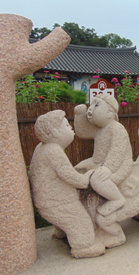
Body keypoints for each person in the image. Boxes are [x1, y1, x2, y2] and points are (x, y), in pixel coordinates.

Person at [29, 110, 105, 258]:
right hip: (58, 202)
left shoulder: (41, 148)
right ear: (56, 132)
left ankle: (61, 231)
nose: (71, 128)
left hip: (45, 202)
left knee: (67, 219)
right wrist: (86, 180)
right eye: (66, 125)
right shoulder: (53, 151)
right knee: (81, 223)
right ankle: (83, 246)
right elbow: (70, 176)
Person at [74, 95, 133, 216]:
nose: (91, 108)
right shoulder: (98, 129)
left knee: (97, 180)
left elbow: (117, 152)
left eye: (96, 105)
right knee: (76, 169)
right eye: (92, 104)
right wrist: (80, 115)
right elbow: (82, 132)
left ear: (109, 113)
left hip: (119, 166)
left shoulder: (116, 128)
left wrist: (107, 168)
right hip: (97, 162)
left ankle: (117, 199)